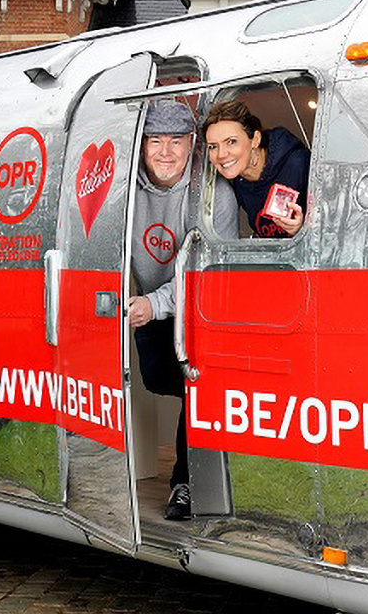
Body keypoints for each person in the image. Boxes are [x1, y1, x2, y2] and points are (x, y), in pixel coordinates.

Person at [127, 100, 239, 521]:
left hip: (200, 309)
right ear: (141, 147)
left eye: (177, 141)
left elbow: (203, 274)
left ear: (192, 144)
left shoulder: (213, 195)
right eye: (155, 141)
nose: (166, 152)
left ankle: (185, 485)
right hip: (153, 301)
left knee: (197, 391)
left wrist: (154, 305)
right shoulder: (127, 191)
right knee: (159, 378)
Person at [202, 99, 310, 238]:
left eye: (231, 142)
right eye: (213, 146)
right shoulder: (236, 182)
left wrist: (302, 230)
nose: (221, 154)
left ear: (256, 140)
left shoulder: (299, 164)